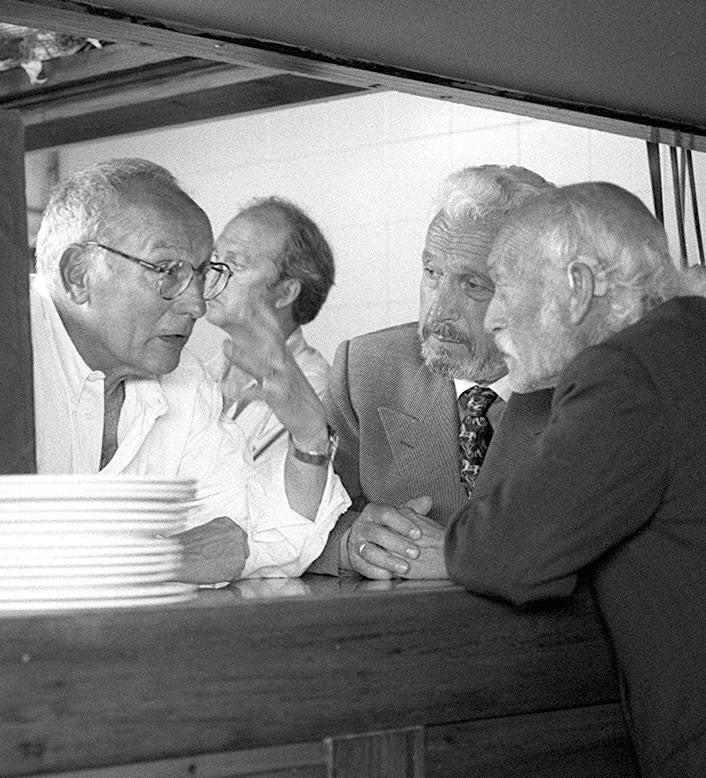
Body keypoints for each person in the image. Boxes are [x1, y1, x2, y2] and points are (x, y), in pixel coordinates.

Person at [445, 182, 706, 775]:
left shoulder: (626, 374)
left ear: (578, 287)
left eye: (503, 285)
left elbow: (503, 554)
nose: (491, 316)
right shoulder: (703, 341)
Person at [32, 158, 349, 582]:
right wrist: (164, 557)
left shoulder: (186, 383)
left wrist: (310, 435)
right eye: (167, 271)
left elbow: (249, 542)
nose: (197, 305)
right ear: (79, 275)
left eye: (203, 274)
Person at [308, 165, 555, 578]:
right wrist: (352, 543)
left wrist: (467, 558)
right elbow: (299, 527)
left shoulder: (584, 386)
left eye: (473, 285)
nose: (438, 311)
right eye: (432, 272)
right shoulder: (366, 369)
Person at [204, 197, 334, 473]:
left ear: (285, 292)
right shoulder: (203, 374)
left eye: (235, 265)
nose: (212, 274)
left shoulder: (315, 389)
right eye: (214, 259)